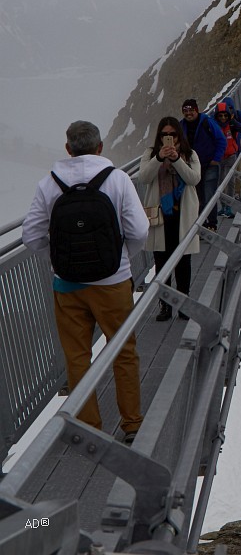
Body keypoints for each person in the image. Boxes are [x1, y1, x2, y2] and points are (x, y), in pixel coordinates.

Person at [21, 120, 149, 442]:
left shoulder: (48, 185)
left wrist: (59, 259)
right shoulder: (118, 179)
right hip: (113, 282)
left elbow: (31, 236)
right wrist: (121, 260)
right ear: (100, 147)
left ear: (68, 149)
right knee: (123, 350)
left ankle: (90, 429)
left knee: (78, 357)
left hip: (68, 286)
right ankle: (132, 424)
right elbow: (139, 231)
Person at [138, 117, 201, 321]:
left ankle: (183, 305)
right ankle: (165, 306)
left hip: (183, 215)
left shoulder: (190, 154)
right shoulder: (150, 154)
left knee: (184, 263)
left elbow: (193, 179)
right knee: (161, 264)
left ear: (178, 135)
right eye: (164, 135)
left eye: (173, 134)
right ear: (159, 136)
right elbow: (144, 178)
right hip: (161, 217)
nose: (169, 139)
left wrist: (176, 160)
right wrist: (159, 158)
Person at [179, 99, 226, 231]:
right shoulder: (181, 125)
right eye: (185, 111)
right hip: (192, 167)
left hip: (209, 164)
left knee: (209, 194)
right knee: (197, 196)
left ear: (196, 110)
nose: (188, 113)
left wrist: (216, 159)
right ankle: (200, 224)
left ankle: (212, 223)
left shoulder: (207, 122)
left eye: (191, 110)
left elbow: (221, 140)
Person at [212, 100, 241, 217]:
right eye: (220, 115)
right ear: (216, 116)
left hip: (230, 156)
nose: (223, 118)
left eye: (225, 115)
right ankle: (223, 207)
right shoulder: (213, 125)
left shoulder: (232, 123)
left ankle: (228, 207)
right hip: (218, 158)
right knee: (220, 183)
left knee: (229, 181)